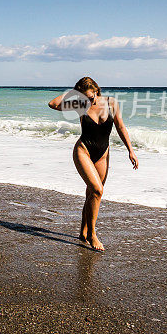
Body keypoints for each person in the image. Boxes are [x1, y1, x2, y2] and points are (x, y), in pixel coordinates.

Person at [48, 77, 138, 251]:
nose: (90, 101)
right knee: (97, 190)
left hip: (103, 155)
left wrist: (130, 150)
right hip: (84, 151)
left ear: (96, 90)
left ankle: (83, 231)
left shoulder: (111, 103)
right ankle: (92, 234)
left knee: (93, 193)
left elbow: (120, 127)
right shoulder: (79, 105)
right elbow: (53, 104)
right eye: (85, 98)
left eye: (91, 97)